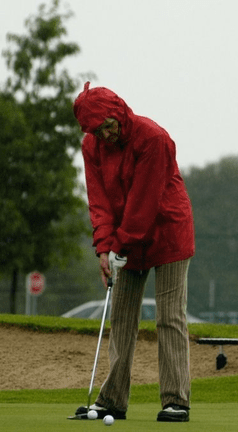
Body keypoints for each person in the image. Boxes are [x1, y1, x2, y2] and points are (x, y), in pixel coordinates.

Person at [72, 82, 195, 423]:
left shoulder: (153, 138)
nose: (106, 135)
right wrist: (103, 247)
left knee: (169, 317)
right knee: (122, 317)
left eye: (108, 125)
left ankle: (175, 401)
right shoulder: (92, 146)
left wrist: (119, 246)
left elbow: (144, 201)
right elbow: (98, 200)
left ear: (119, 111)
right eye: (97, 131)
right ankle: (112, 399)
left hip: (168, 231)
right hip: (126, 237)